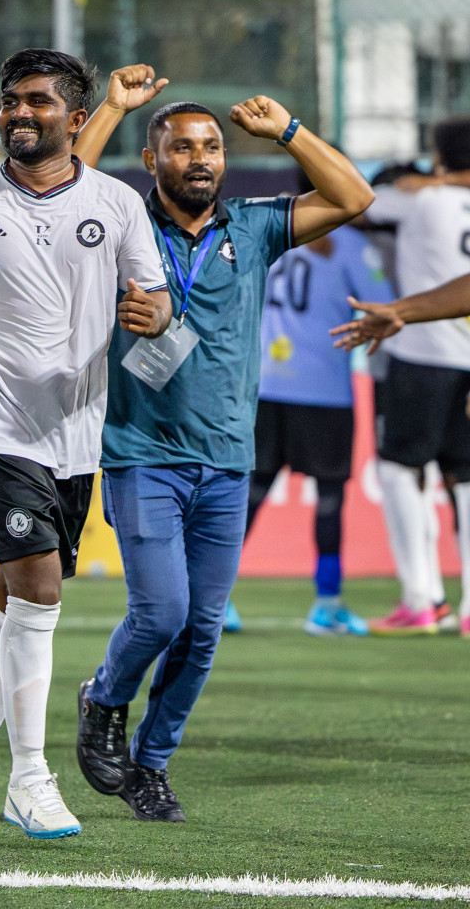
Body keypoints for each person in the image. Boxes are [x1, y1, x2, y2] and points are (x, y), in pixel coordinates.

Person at [72, 66, 373, 824]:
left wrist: (291, 132)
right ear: (151, 161)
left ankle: (153, 765)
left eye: (212, 146)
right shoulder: (116, 223)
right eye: (181, 147)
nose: (201, 158)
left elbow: (353, 198)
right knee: (163, 613)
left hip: (229, 460)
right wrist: (111, 106)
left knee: (203, 631)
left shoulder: (255, 225)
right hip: (142, 451)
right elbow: (68, 176)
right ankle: (104, 696)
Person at [0, 50, 172, 842]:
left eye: (36, 102)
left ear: (75, 116)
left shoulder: (119, 204)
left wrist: (150, 317)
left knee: (17, 601)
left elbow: (156, 302)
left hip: (75, 428)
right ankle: (30, 777)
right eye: (9, 102)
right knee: (40, 592)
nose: (18, 114)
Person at [330, 118, 470, 635]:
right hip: (467, 358)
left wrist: (419, 184)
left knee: (397, 468)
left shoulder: (419, 199)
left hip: (423, 353)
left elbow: (356, 197)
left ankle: (422, 598)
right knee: (467, 476)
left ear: (440, 158)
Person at [244, 173, 394, 637]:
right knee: (329, 499)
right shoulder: (349, 244)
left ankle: (210, 599)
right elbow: (385, 307)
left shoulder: (267, 229)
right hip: (325, 390)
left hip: (263, 385)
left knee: (245, 497)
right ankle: (327, 605)